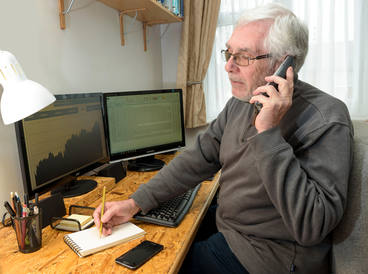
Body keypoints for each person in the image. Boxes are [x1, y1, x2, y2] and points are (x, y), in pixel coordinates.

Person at [93, 3, 353, 273]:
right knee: (140, 244)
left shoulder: (326, 118)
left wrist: (268, 133)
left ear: (282, 63)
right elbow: (199, 158)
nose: (228, 66)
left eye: (243, 56)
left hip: (269, 257)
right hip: (230, 231)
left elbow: (312, 225)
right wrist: (135, 202)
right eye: (228, 53)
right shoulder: (240, 103)